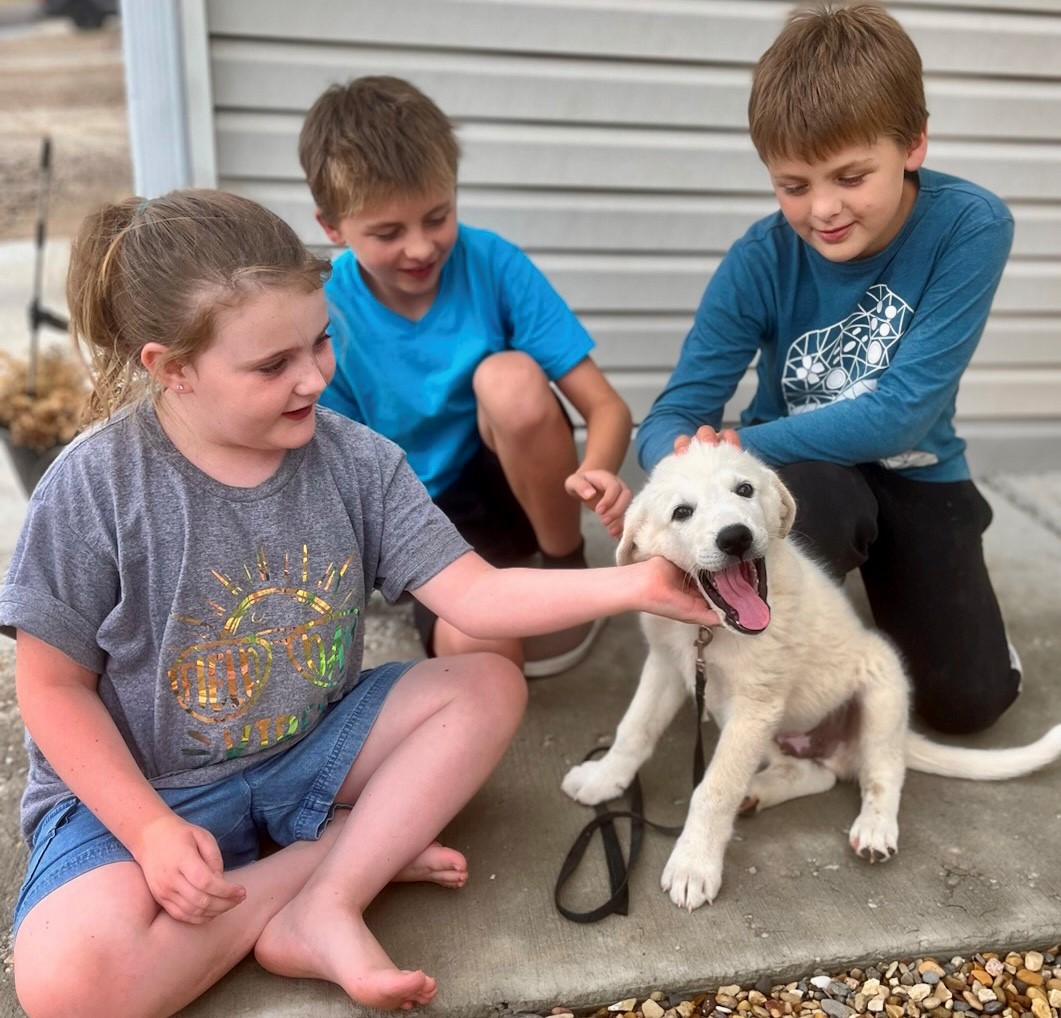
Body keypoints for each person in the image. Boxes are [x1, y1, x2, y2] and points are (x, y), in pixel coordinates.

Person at [0, 189, 720, 1017]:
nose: (312, 377)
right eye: (272, 366)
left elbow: (475, 597)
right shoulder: (93, 485)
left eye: (321, 342)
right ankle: (332, 862)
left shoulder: (355, 461)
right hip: (143, 789)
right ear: (172, 369)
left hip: (307, 755)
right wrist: (150, 831)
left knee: (485, 682)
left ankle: (327, 903)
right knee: (66, 988)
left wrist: (641, 583)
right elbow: (50, 689)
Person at [636, 0, 1021, 736]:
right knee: (807, 529)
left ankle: (951, 611)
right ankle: (801, 628)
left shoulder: (968, 226)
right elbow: (671, 416)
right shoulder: (759, 259)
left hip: (917, 470)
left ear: (913, 143)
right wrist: (685, 470)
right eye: (792, 185)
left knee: (967, 704)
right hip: (810, 475)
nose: (822, 210)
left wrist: (733, 449)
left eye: (850, 176)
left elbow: (902, 411)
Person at [297, 75, 634, 678]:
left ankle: (564, 566)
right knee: (481, 657)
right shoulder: (326, 312)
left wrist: (598, 472)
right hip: (425, 516)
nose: (421, 248)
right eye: (388, 232)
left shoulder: (493, 262)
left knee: (508, 378)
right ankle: (479, 607)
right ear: (332, 227)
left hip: (517, 483)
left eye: (438, 216)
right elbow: (339, 463)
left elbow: (606, 408)